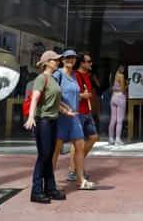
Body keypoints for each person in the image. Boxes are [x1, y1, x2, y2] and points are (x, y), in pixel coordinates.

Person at [23, 50, 67, 203]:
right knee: (44, 155)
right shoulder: (41, 79)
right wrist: (31, 117)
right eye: (55, 60)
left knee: (49, 155)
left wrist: (66, 111)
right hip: (43, 121)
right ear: (47, 62)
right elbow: (35, 99)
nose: (57, 62)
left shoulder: (53, 79)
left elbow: (53, 101)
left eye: (58, 60)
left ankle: (50, 188)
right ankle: (36, 191)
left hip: (53, 120)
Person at [51, 50, 91, 189]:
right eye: (67, 58)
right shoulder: (58, 74)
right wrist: (63, 108)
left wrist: (81, 97)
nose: (70, 60)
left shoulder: (74, 75)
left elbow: (75, 95)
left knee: (80, 147)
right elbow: (51, 94)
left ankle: (80, 180)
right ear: (62, 60)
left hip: (74, 117)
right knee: (55, 151)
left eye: (73, 58)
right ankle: (50, 182)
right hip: (61, 117)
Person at [66, 52, 99, 186]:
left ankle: (76, 165)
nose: (90, 64)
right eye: (88, 61)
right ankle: (73, 170)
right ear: (82, 63)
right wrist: (81, 96)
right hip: (78, 111)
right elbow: (70, 93)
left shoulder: (86, 75)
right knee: (76, 141)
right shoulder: (75, 75)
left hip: (87, 111)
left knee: (93, 137)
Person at [109, 63, 127, 146]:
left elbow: (112, 87)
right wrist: (127, 85)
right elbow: (123, 89)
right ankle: (118, 139)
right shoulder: (121, 76)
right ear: (120, 67)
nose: (124, 69)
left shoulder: (111, 75)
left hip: (113, 97)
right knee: (120, 120)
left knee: (113, 119)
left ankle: (111, 138)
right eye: (123, 67)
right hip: (120, 97)